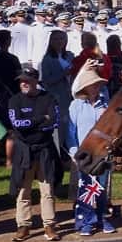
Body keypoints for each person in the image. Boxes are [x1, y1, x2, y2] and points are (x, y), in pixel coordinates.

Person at [7, 66, 61, 242]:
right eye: (21, 81)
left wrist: (37, 125)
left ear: (36, 81)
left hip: (45, 148)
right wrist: (40, 119)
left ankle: (49, 225)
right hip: (24, 151)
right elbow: (18, 125)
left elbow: (54, 122)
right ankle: (23, 225)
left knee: (47, 189)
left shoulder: (49, 98)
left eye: (27, 80)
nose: (24, 83)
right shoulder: (15, 100)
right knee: (23, 190)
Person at [67, 62, 114, 236]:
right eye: (92, 85)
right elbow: (70, 132)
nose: (95, 87)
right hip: (84, 153)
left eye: (97, 84)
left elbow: (111, 129)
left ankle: (102, 217)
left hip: (102, 153)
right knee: (86, 187)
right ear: (85, 87)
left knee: (101, 187)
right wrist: (74, 152)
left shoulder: (105, 104)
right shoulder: (76, 105)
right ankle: (85, 221)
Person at [39, 29, 73, 157]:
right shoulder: (47, 59)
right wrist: (63, 74)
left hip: (71, 95)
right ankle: (60, 153)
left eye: (61, 39)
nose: (59, 42)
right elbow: (46, 80)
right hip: (56, 96)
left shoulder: (70, 56)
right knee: (60, 125)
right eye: (56, 39)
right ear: (51, 42)